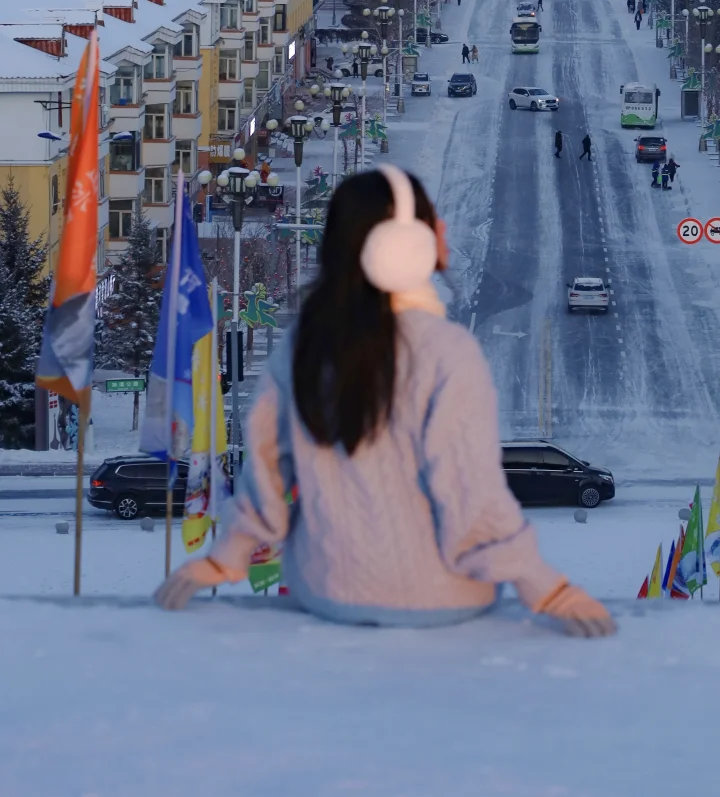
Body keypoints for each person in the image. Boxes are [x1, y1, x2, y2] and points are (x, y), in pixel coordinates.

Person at [154, 167, 614, 637]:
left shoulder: (303, 348)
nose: (444, 230)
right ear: (402, 247)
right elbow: (471, 496)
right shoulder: (447, 353)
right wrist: (545, 586)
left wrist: (225, 558)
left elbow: (265, 476)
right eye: (430, 222)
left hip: (329, 595)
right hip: (447, 604)